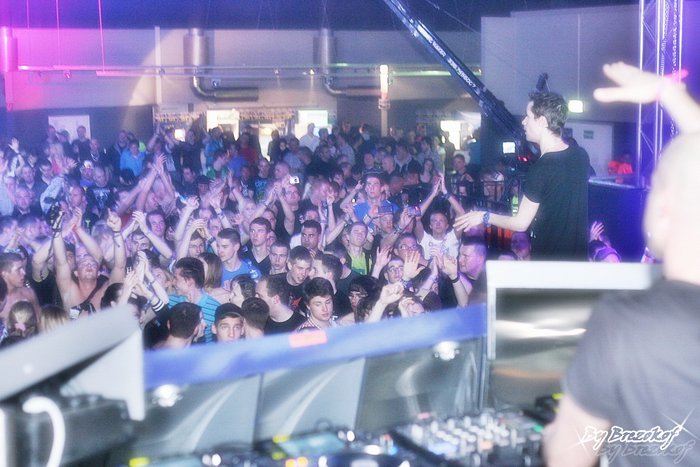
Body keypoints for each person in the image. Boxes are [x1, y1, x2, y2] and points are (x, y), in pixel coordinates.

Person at [544, 62, 700, 466]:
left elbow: (568, 456)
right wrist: (670, 95)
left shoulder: (626, 322)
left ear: (663, 209)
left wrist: (554, 434)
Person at [455, 91, 590, 260]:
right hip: (579, 262)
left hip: (551, 262)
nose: (523, 122)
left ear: (542, 121)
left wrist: (484, 215)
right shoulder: (581, 156)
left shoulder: (541, 168)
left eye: (528, 116)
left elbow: (520, 223)